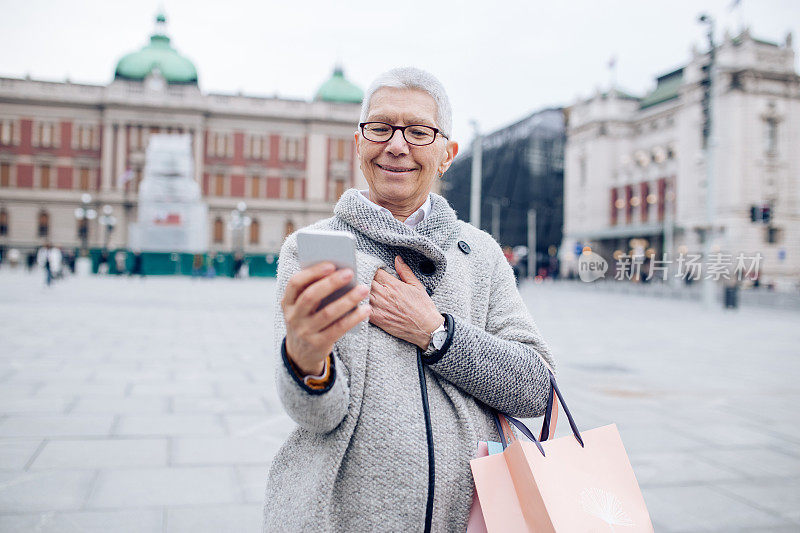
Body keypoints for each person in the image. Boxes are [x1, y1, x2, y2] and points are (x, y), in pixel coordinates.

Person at [263, 67, 556, 532]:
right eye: (380, 129)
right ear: (359, 143)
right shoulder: (310, 248)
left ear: (446, 155)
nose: (396, 145)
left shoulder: (480, 254)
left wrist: (437, 332)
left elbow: (537, 388)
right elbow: (317, 418)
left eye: (418, 132)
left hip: (465, 521)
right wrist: (305, 361)